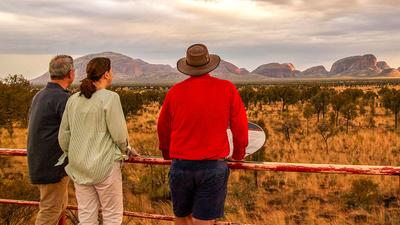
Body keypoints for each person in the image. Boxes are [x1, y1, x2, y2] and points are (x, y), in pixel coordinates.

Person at [157, 44, 249, 225]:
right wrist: (238, 155)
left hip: (181, 166)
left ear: (188, 66)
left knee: (181, 218)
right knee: (204, 222)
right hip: (212, 166)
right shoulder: (227, 88)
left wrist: (168, 155)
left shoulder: (174, 92)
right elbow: (240, 127)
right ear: (209, 64)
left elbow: (163, 128)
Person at [58, 57, 138, 225]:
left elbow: (63, 136)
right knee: (112, 215)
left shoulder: (73, 100)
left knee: (86, 215)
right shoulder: (110, 98)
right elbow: (119, 135)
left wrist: (73, 153)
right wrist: (127, 149)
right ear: (107, 74)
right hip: (105, 166)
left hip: (79, 166)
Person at [27, 55, 75, 225]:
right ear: (71, 73)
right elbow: (73, 132)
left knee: (58, 207)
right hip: (53, 166)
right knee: (50, 211)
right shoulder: (63, 99)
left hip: (40, 161)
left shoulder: (39, 95)